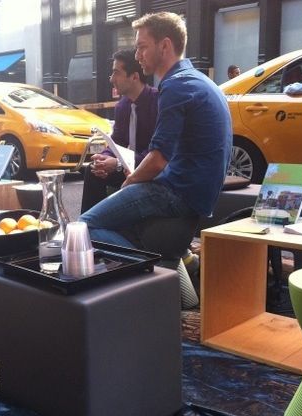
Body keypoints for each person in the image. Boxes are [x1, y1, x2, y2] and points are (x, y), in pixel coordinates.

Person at [79, 12, 232, 259]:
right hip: (197, 193)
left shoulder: (176, 86)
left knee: (83, 227)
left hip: (177, 192)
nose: (137, 55)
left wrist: (129, 183)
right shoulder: (199, 81)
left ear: (165, 45)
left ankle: (149, 267)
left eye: (142, 47)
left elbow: (159, 158)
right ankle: (169, 266)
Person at [80, 49, 158, 213]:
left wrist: (117, 164)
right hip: (127, 167)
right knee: (93, 170)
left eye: (116, 72)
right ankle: (89, 230)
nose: (111, 79)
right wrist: (105, 158)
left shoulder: (157, 103)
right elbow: (117, 142)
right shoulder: (122, 106)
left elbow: (156, 155)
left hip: (151, 171)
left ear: (134, 76)